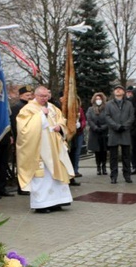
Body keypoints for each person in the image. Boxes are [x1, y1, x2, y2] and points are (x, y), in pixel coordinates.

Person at [15, 85, 74, 214]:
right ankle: (42, 204)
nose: (44, 98)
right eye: (41, 96)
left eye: (46, 96)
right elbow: (24, 129)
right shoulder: (28, 109)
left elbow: (61, 120)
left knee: (57, 173)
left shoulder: (53, 108)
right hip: (39, 148)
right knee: (43, 176)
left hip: (55, 146)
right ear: (35, 95)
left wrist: (60, 126)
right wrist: (41, 115)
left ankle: (57, 201)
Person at [105, 85, 135, 184]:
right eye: (116, 89)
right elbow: (107, 117)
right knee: (113, 156)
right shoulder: (109, 104)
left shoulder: (129, 104)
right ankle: (113, 176)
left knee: (126, 155)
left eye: (120, 89)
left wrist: (124, 126)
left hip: (125, 132)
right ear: (114, 92)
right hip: (114, 132)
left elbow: (131, 117)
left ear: (124, 92)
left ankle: (127, 175)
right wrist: (116, 126)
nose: (118, 90)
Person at [11, 86, 34, 195]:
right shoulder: (17, 107)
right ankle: (22, 187)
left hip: (31, 139)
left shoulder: (32, 107)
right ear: (21, 96)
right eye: (27, 95)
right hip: (21, 139)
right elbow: (16, 125)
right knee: (22, 164)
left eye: (30, 95)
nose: (29, 97)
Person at [86, 92, 109, 175]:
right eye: (96, 99)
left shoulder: (106, 108)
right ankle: (98, 167)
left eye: (99, 99)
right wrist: (95, 127)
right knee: (97, 151)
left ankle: (104, 167)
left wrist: (104, 127)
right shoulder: (90, 109)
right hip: (94, 132)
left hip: (104, 133)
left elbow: (109, 118)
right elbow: (89, 119)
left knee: (104, 151)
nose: (98, 100)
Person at [69, 101, 87, 181]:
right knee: (71, 152)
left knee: (77, 153)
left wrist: (80, 124)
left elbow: (83, 120)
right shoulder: (67, 109)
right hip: (70, 133)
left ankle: (75, 170)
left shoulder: (79, 109)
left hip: (79, 133)